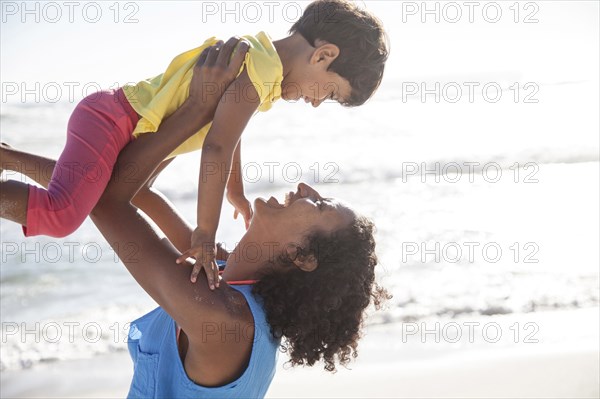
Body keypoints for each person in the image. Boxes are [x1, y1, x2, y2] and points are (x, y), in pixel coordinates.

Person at [3, 41, 388, 398]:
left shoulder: (224, 321)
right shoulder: (224, 273)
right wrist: (9, 159)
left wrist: (197, 110)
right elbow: (132, 193)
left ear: (301, 255)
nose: (306, 187)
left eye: (319, 205)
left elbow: (110, 200)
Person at [0, 0, 389, 288]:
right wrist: (205, 232)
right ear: (324, 55)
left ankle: (6, 157)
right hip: (114, 122)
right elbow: (215, 148)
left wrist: (235, 193)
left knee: (95, 189)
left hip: (124, 125)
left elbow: (230, 136)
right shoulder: (263, 69)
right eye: (330, 92)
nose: (317, 101)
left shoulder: (265, 70)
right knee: (62, 215)